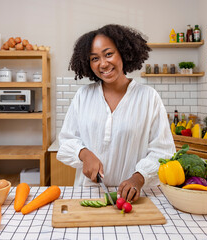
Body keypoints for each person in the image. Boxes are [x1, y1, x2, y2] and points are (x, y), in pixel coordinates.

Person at [57, 24, 175, 202]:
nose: (103, 64)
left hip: (135, 198)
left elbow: (164, 151)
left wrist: (139, 177)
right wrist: (83, 153)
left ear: (123, 52)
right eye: (94, 58)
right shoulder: (83, 95)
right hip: (89, 195)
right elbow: (66, 141)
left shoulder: (148, 97)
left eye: (108, 54)